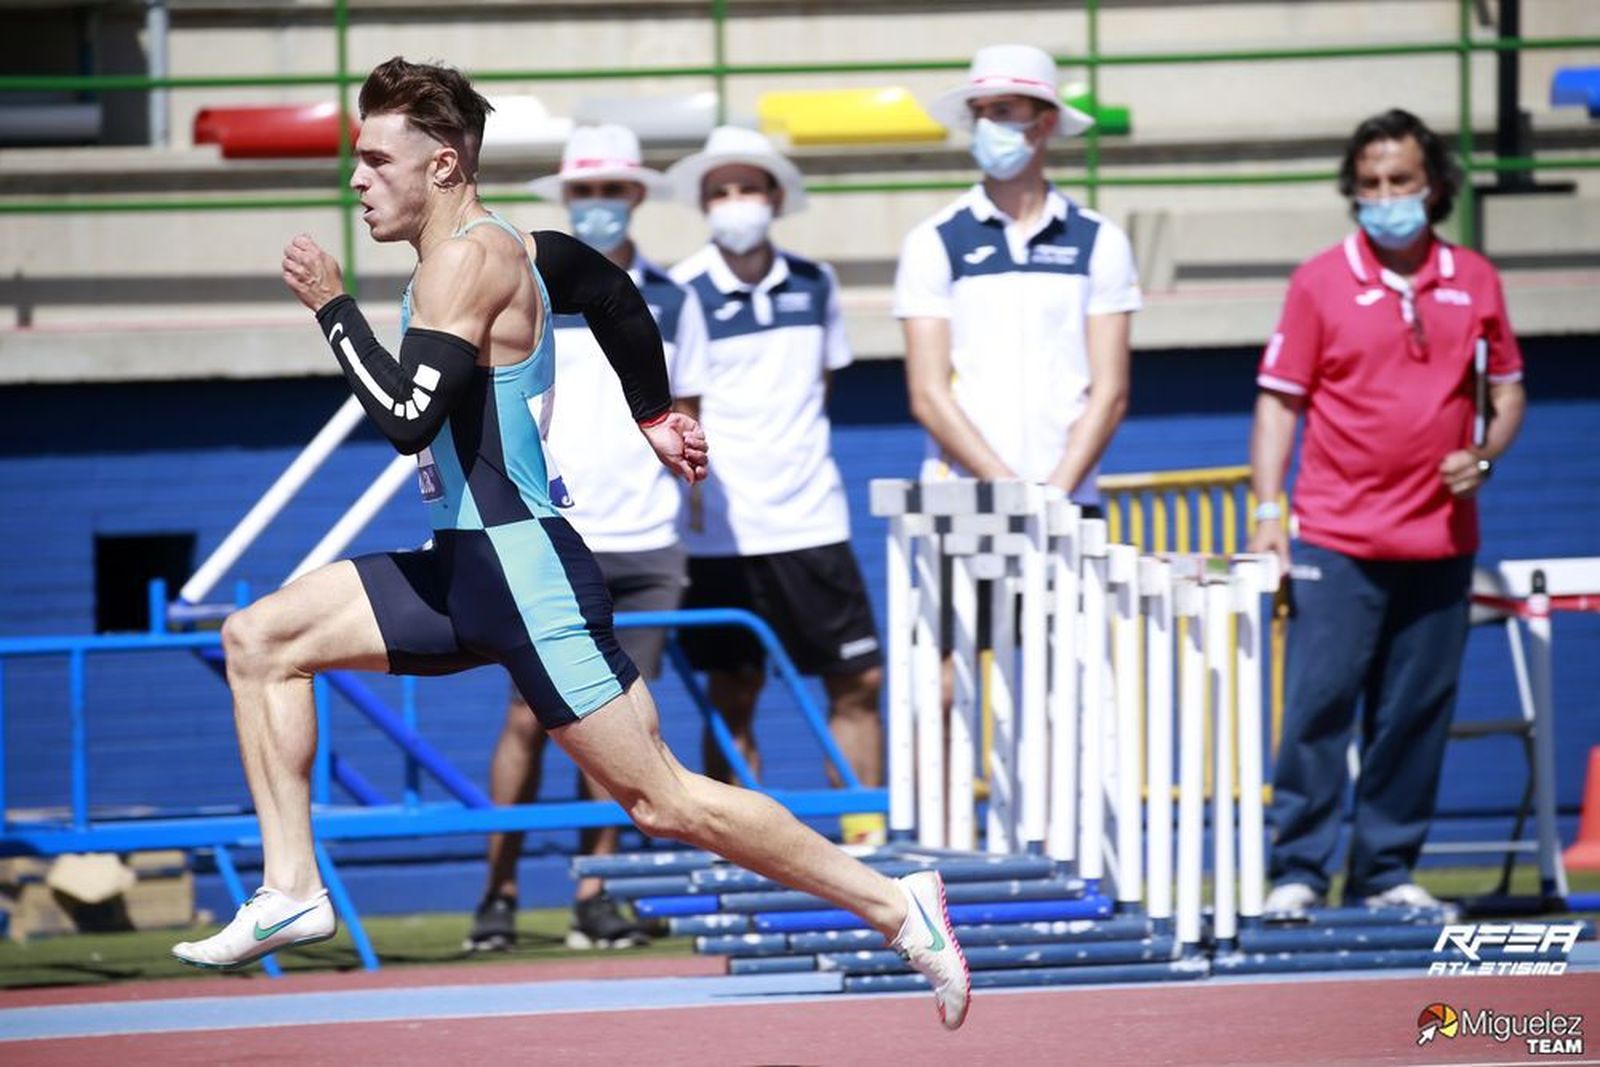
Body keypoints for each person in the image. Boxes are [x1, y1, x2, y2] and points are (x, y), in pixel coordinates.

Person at [169, 58, 969, 1031]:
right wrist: (653, 412)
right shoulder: (525, 244)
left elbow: (410, 418)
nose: (357, 180)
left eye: (377, 160)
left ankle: (896, 902)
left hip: (522, 571)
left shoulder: (465, 260)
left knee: (665, 798)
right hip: (464, 561)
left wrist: (333, 309)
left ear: (446, 163)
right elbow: (613, 289)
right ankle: (292, 883)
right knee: (261, 638)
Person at [1249, 108, 1526, 914]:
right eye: (1368, 184)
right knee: (1317, 708)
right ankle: (1296, 871)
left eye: (1400, 180)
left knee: (1414, 714)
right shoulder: (1319, 281)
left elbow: (1506, 392)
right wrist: (1269, 511)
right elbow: (1278, 402)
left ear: (1432, 185)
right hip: (1334, 537)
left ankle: (1386, 873)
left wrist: (1485, 453)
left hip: (1440, 540)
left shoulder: (1475, 278)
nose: (1384, 196)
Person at [463, 125, 708, 953]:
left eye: (614, 191)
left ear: (638, 196)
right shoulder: (521, 285)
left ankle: (595, 893)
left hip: (646, 543)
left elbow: (686, 411)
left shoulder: (676, 297)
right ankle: (495, 893)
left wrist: (689, 500)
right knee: (527, 715)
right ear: (565, 202)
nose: (598, 207)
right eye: (585, 193)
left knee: (622, 724)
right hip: (547, 529)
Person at [664, 126, 886, 844]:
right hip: (718, 534)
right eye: (719, 191)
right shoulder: (678, 291)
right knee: (732, 699)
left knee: (859, 685)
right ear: (703, 204)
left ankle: (868, 846)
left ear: (776, 198)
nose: (735, 203)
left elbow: (817, 386)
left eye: (748, 187)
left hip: (812, 524)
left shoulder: (816, 282)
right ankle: (745, 856)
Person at [896, 43, 1140, 507]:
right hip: (963, 503)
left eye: (1003, 110)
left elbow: (1110, 391)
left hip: (1070, 502)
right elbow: (928, 393)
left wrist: (1054, 495)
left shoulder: (1100, 240)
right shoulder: (933, 240)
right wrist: (1011, 490)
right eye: (979, 112)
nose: (987, 125)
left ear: (1045, 122)